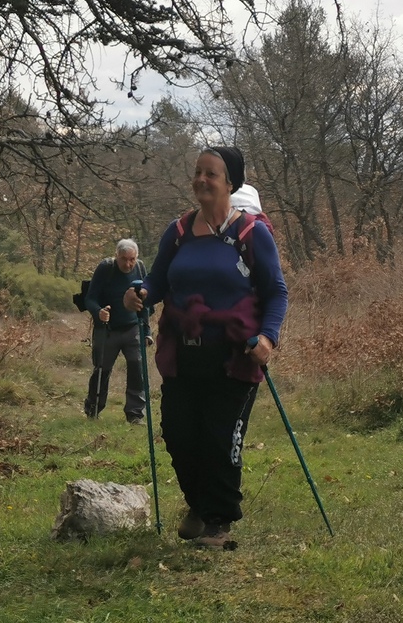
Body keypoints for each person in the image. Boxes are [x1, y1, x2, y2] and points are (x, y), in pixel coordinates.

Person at [124, 146, 288, 548]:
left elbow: (276, 292)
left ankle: (218, 521)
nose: (201, 180)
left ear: (231, 183)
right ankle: (197, 504)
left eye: (211, 174)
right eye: (197, 172)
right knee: (179, 435)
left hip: (235, 355)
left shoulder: (251, 233)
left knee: (219, 437)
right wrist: (139, 294)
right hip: (183, 352)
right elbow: (157, 282)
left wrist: (268, 337)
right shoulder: (178, 231)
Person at [82, 239, 148, 424]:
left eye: (132, 259)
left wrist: (147, 331)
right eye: (124, 259)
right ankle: (93, 409)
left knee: (137, 368)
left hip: (132, 328)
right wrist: (99, 312)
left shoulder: (140, 268)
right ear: (116, 256)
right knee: (102, 370)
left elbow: (144, 303)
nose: (128, 264)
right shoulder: (106, 268)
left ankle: (135, 415)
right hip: (107, 330)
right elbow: (90, 298)